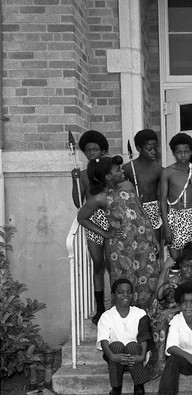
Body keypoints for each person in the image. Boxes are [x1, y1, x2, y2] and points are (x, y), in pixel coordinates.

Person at [77, 156, 159, 310]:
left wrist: (153, 236)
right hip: (121, 247)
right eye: (118, 170)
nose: (122, 171)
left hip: (143, 240)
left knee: (148, 278)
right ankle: (123, 321)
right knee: (124, 282)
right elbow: (82, 218)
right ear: (108, 176)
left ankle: (146, 319)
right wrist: (105, 233)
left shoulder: (128, 186)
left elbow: (141, 211)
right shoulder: (99, 198)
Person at [70, 130, 110, 324]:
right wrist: (75, 180)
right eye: (88, 150)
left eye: (95, 149)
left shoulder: (110, 171)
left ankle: (118, 306)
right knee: (98, 263)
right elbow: (79, 203)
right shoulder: (84, 175)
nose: (92, 153)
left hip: (111, 220)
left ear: (102, 151)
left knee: (113, 263)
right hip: (93, 221)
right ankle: (100, 307)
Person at [148, 243, 192, 376]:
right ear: (180, 266)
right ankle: (160, 362)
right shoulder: (174, 279)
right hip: (169, 311)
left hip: (188, 312)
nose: (188, 270)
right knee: (162, 319)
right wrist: (166, 275)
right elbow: (159, 296)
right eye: (185, 266)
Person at [97, 278, 153, 395]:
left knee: (132, 345)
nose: (125, 295)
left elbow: (144, 337)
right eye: (120, 292)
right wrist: (112, 355)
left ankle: (139, 388)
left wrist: (142, 356)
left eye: (129, 292)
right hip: (114, 355)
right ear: (113, 295)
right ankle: (116, 389)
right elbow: (103, 339)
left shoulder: (140, 313)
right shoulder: (106, 316)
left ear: (133, 295)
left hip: (137, 354)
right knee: (116, 345)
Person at [160, 133, 192, 264]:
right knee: (175, 261)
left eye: (186, 152)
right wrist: (166, 227)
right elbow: (162, 200)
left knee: (190, 261)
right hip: (173, 218)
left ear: (191, 151)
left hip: (191, 218)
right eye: (179, 152)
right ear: (173, 153)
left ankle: (189, 285)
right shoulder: (167, 172)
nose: (183, 155)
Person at [123, 129, 164, 244]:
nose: (153, 152)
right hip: (133, 210)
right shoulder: (127, 168)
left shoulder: (159, 170)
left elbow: (161, 196)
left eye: (155, 148)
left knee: (154, 248)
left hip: (153, 210)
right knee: (136, 246)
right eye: (149, 149)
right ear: (138, 148)